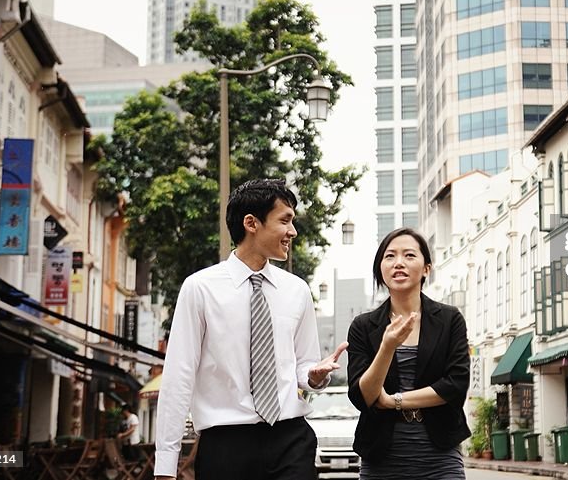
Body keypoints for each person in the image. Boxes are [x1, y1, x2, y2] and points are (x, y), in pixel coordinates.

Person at [154, 179, 347, 480]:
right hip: (226, 444)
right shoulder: (200, 288)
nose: (293, 232)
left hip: (290, 438)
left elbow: (303, 364)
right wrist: (165, 465)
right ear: (251, 223)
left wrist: (313, 375)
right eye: (285, 220)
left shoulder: (297, 291)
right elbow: (179, 376)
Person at [347, 227, 470, 480]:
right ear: (380, 268)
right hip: (381, 458)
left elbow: (455, 385)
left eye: (409, 255)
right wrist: (387, 347)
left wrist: (394, 401)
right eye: (390, 256)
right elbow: (363, 396)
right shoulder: (363, 325)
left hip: (440, 457)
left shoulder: (449, 319)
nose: (399, 263)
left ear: (427, 268)